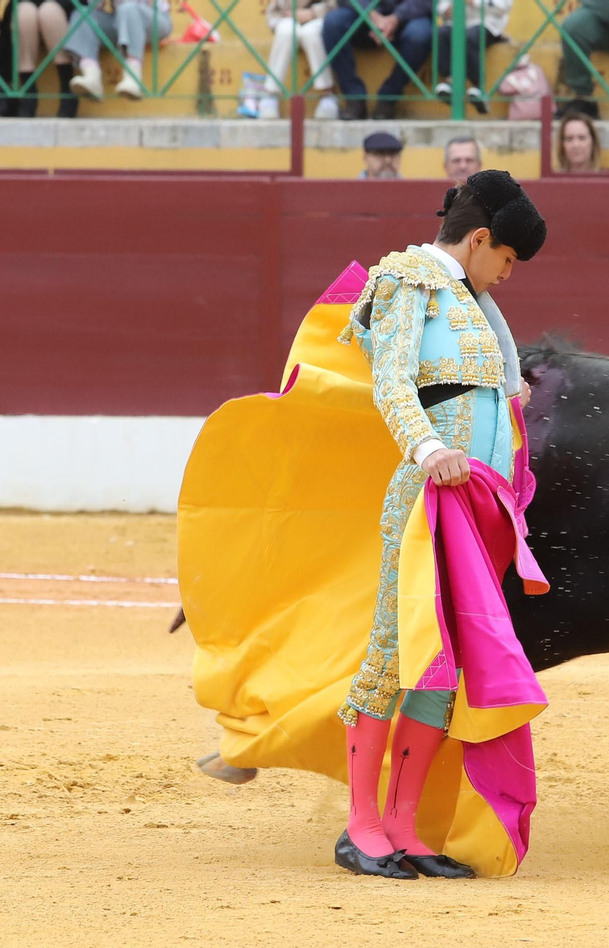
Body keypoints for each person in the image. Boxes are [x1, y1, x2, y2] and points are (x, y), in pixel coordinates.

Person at [177, 173, 551, 880]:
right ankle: (361, 827)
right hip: (426, 499)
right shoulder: (409, 281)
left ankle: (404, 828)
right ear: (479, 240)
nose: (507, 273)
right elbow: (392, 381)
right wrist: (431, 447)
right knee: (390, 657)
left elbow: (479, 389)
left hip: (479, 510)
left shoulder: (472, 303)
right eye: (506, 258)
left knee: (441, 671)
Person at [321, 0, 434, 119]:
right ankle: (354, 98)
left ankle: (389, 97)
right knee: (333, 23)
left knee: (419, 35)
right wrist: (370, 14)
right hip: (363, 12)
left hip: (408, 15)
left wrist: (396, 17)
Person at [66, 0, 173, 101]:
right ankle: (91, 76)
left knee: (128, 8)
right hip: (119, 20)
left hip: (154, 17)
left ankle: (133, 78)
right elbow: (94, 7)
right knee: (82, 14)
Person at [259, 0, 336, 119]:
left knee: (311, 33)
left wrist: (312, 13)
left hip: (321, 16)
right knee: (286, 32)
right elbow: (275, 10)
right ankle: (270, 95)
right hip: (286, 17)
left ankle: (327, 94)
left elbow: (334, 5)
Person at [433, 0, 509, 114]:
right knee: (440, 35)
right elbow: (441, 6)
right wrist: (446, 10)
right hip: (456, 22)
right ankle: (450, 82)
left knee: (470, 37)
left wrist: (473, 2)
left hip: (487, 23)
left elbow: (502, 7)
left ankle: (478, 87)